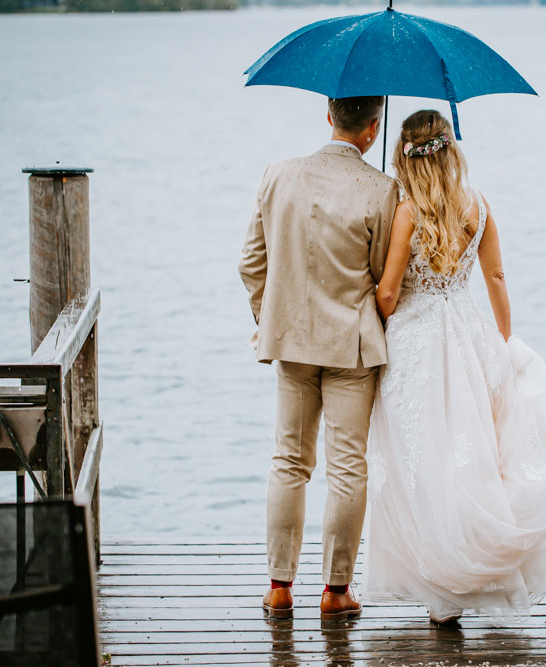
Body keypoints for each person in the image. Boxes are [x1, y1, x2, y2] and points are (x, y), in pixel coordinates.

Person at [363, 109, 546, 624]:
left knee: (424, 460)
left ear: (405, 157)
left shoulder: (409, 211)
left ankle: (443, 585)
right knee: (471, 453)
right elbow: (496, 277)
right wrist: (503, 342)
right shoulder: (477, 206)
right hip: (468, 333)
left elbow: (389, 292)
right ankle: (468, 573)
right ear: (450, 150)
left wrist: (376, 304)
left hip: (416, 344)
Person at [238, 96, 398, 622]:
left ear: (329, 116)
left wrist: (271, 318)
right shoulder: (382, 189)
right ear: (373, 129)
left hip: (290, 342)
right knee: (348, 468)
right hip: (351, 346)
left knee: (289, 461)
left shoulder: (277, 175)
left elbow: (251, 263)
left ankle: (280, 586)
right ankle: (335, 591)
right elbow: (381, 279)